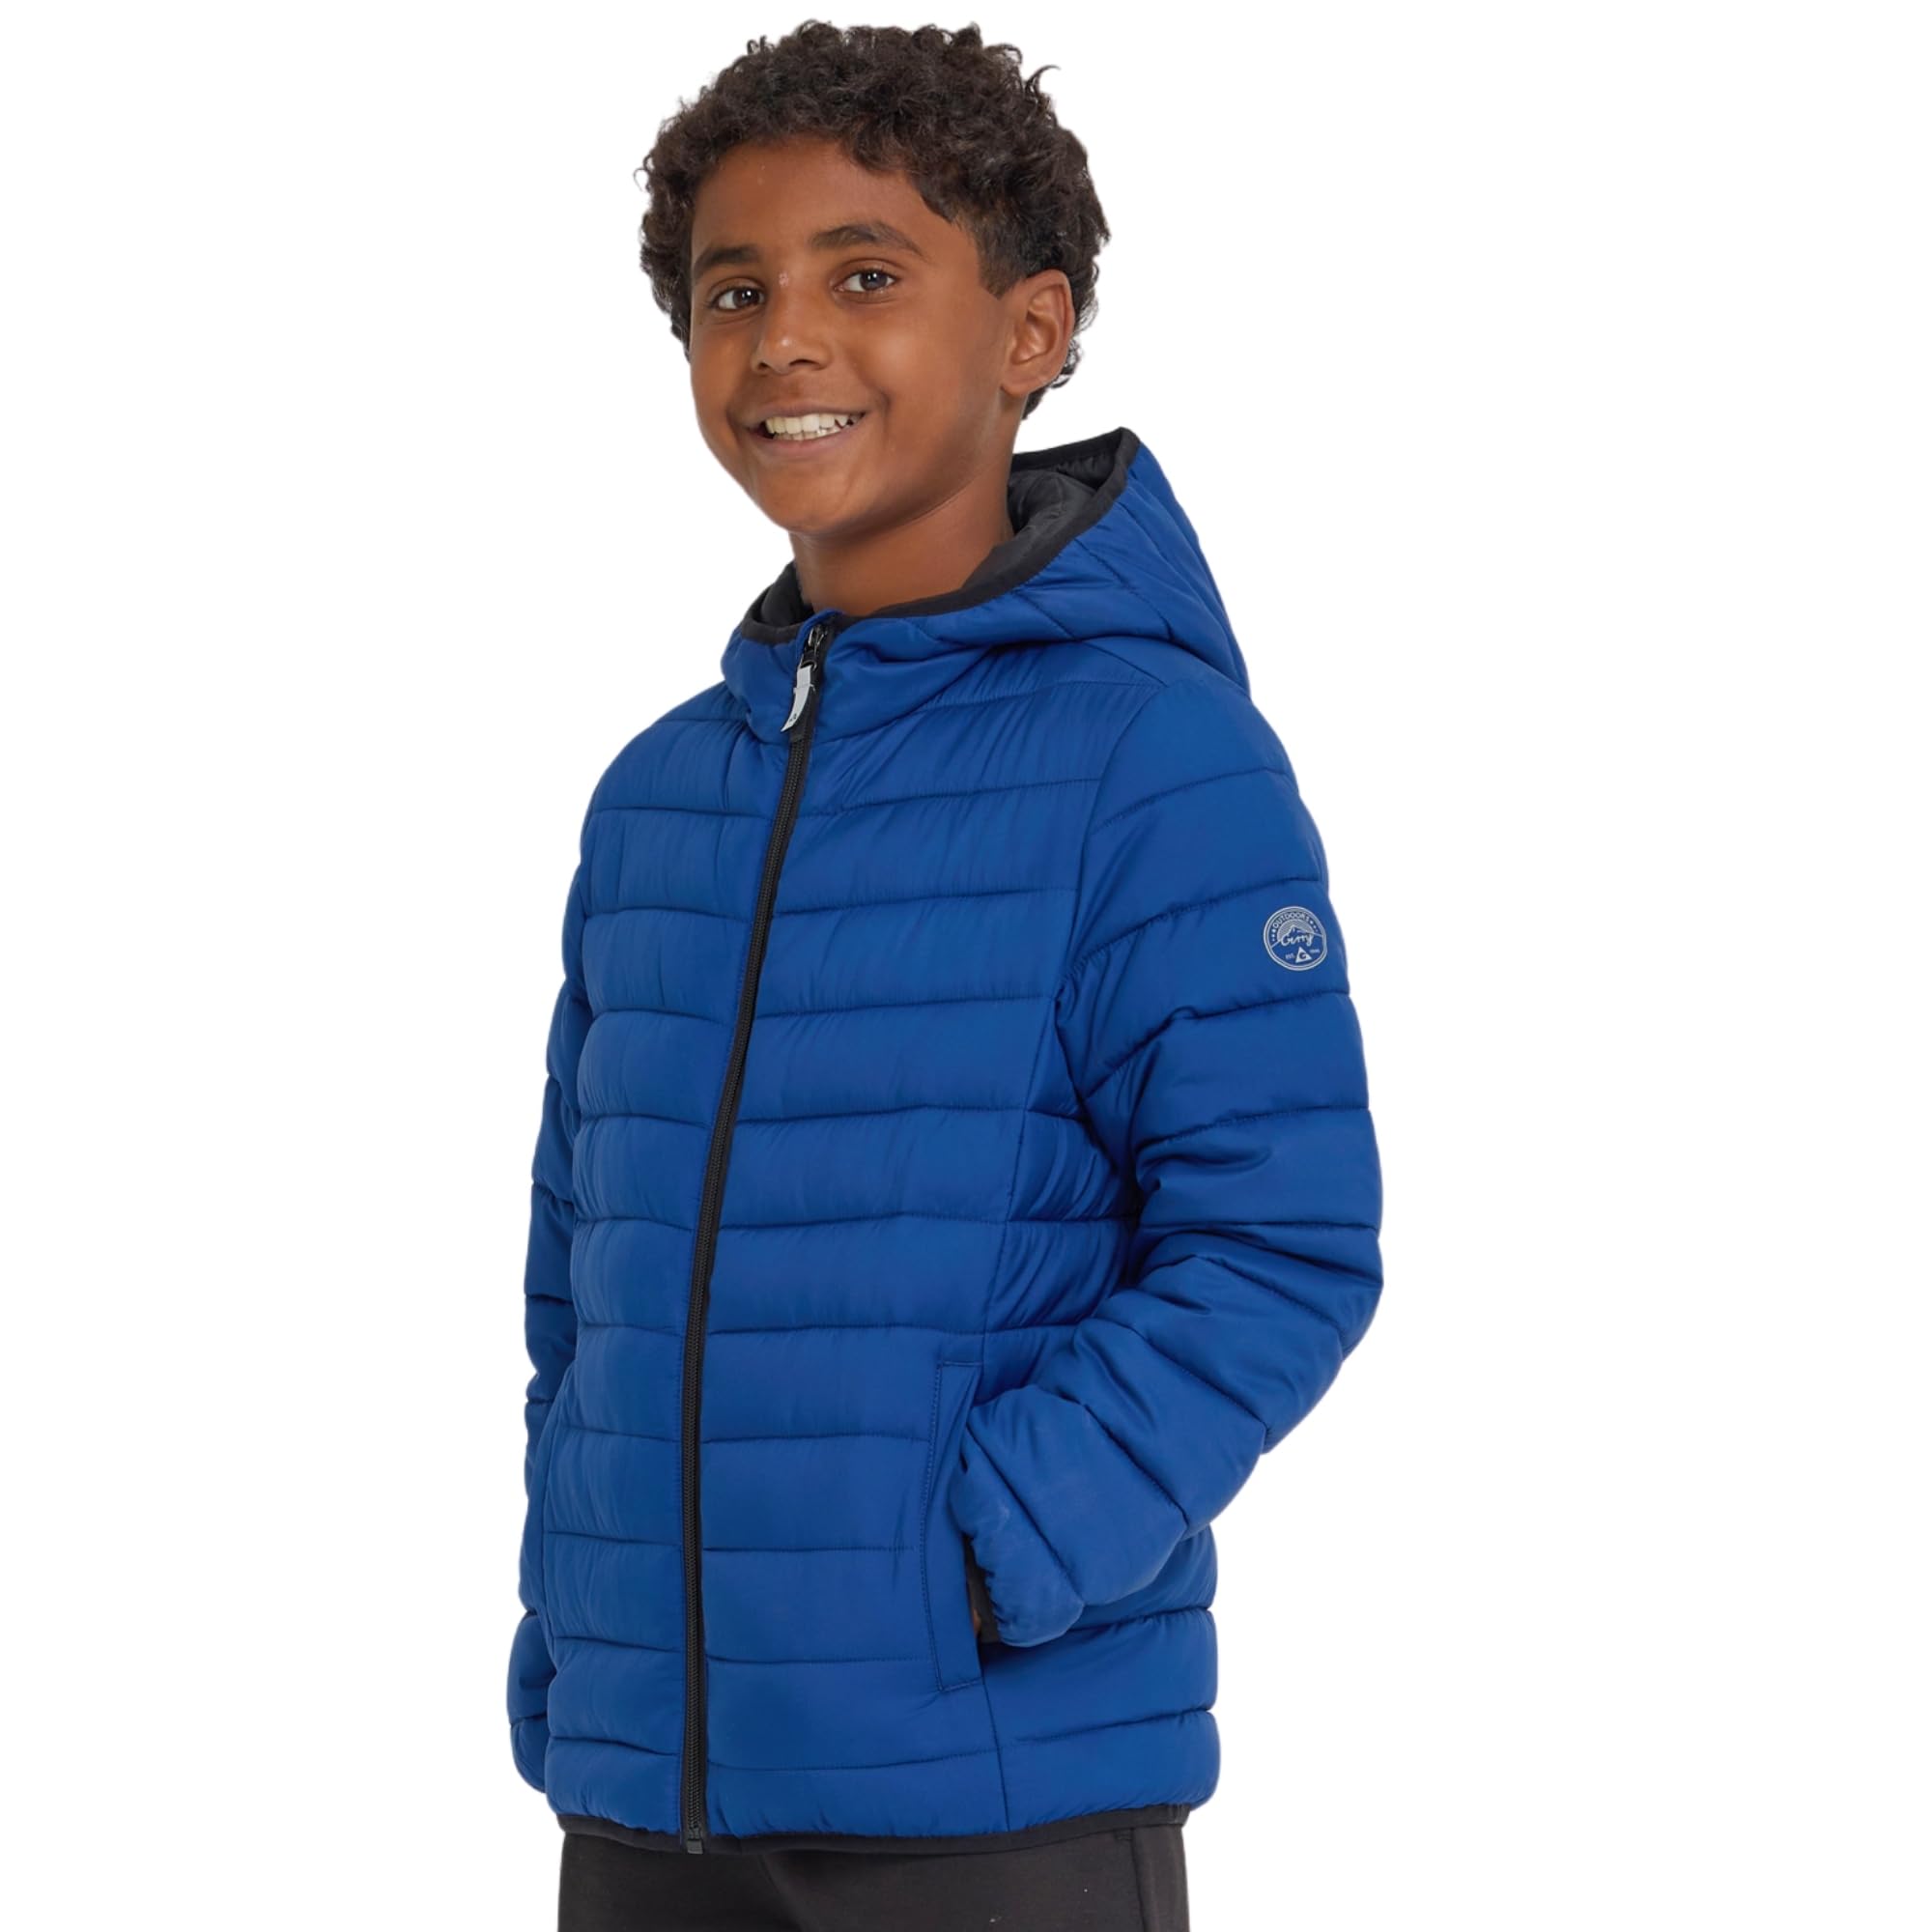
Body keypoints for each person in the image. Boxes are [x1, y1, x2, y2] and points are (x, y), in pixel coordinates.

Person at [506, 22, 1384, 1930]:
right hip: (648, 1800)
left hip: (995, 1804)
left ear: (1030, 332)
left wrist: (990, 1550)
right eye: (733, 291)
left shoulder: (1154, 759)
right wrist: (577, 1608)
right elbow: (581, 1275)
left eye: (865, 277)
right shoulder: (658, 798)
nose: (784, 341)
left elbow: (1282, 1240)